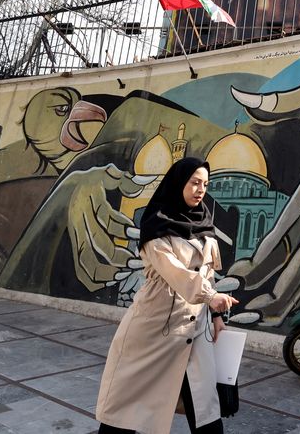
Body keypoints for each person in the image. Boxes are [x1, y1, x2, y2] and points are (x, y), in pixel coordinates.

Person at [96, 157, 237, 434]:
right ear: (178, 182)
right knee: (125, 411)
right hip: (155, 329)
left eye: (205, 184)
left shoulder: (203, 222)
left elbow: (207, 274)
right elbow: (175, 272)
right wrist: (210, 296)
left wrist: (216, 316)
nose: (201, 189)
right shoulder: (156, 226)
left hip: (195, 331)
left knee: (205, 408)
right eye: (194, 182)